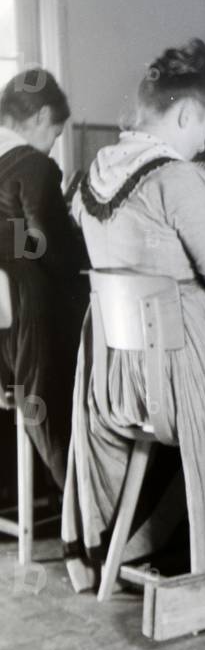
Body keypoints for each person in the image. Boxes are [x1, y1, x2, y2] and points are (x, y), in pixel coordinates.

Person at [62, 38, 205, 591]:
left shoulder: (94, 174)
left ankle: (152, 542)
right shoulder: (177, 177)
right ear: (184, 112)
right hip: (181, 375)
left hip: (118, 377)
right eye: (204, 126)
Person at [0, 69, 85, 488]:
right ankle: (84, 528)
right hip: (26, 316)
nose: (52, 144)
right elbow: (53, 250)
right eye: (54, 133)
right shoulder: (34, 165)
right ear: (41, 116)